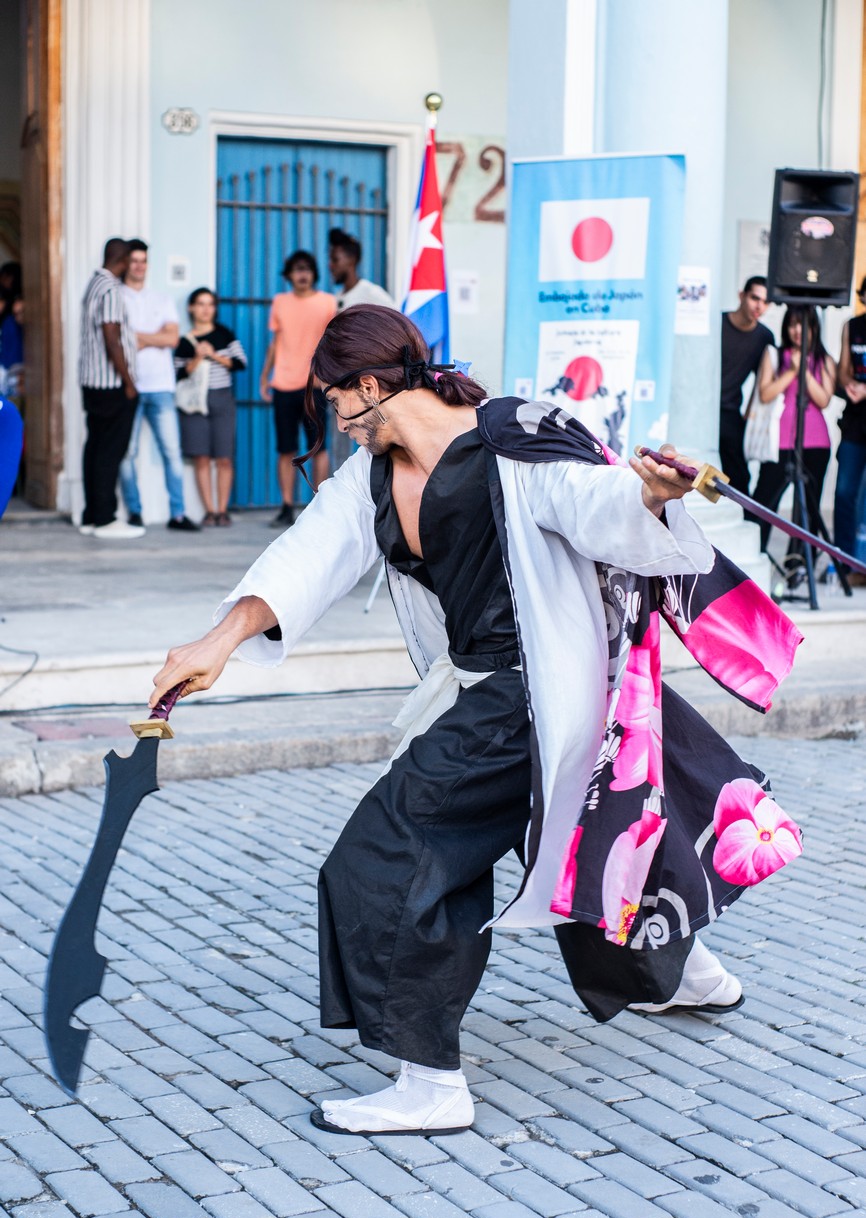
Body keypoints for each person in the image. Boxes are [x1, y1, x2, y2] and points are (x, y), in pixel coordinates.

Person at [152, 305, 802, 1137]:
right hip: (483, 695)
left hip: (538, 692)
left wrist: (648, 490)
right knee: (583, 851)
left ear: (371, 387)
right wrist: (218, 641)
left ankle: (430, 1083)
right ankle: (687, 976)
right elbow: (308, 553)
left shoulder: (512, 442)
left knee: (390, 853)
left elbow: (595, 496)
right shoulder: (373, 473)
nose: (335, 421)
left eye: (336, 402)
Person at [119, 240, 199, 532]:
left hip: (161, 386)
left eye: (143, 260)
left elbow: (172, 339)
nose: (139, 265)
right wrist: (154, 335)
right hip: (129, 386)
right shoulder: (117, 297)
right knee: (127, 453)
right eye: (134, 260)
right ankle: (135, 512)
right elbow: (119, 339)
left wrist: (139, 337)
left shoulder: (161, 299)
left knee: (172, 452)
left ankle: (178, 514)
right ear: (126, 264)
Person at [752, 306, 835, 561]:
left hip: (816, 443)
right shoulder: (775, 355)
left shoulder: (824, 360)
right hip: (780, 442)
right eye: (792, 325)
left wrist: (805, 371)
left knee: (808, 508)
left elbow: (823, 400)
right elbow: (765, 393)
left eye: (803, 325)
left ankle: (798, 564)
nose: (797, 331)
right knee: (764, 501)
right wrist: (791, 370)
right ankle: (756, 556)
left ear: (814, 328)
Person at [260, 251, 336, 527]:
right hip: (283, 384)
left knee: (319, 446)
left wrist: (328, 378)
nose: (302, 274)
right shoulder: (280, 302)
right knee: (286, 448)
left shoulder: (328, 303)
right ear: (289, 274)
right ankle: (286, 505)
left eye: (307, 268)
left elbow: (333, 344)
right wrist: (264, 376)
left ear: (314, 273)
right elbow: (276, 342)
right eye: (296, 269)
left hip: (314, 385)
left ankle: (320, 503)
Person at [78, 238, 142, 539]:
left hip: (92, 383)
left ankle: (91, 516)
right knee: (110, 451)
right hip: (112, 385)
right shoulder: (111, 289)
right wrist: (129, 382)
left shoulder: (93, 284)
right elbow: (112, 337)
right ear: (124, 259)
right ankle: (105, 519)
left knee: (95, 447)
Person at [174, 288, 247, 527]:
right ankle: (209, 511)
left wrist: (213, 355)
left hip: (222, 399)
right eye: (201, 304)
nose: (206, 309)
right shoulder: (185, 341)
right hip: (195, 403)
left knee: (224, 457)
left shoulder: (224, 334)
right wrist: (197, 357)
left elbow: (240, 362)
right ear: (191, 308)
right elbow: (178, 373)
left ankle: (222, 510)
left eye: (210, 304)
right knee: (202, 458)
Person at [719, 275, 774, 497]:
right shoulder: (717, 322)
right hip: (699, 408)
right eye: (754, 298)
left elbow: (763, 381)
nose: (759, 306)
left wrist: (749, 414)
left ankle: (741, 521)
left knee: (739, 476)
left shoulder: (764, 337)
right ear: (741, 295)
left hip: (731, 411)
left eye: (765, 301)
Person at [833, 279, 866, 585]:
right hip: (855, 421)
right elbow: (844, 369)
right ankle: (843, 561)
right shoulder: (851, 326)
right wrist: (852, 385)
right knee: (845, 492)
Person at [328, 228, 396, 312]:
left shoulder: (372, 293)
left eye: (335, 260)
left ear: (351, 259)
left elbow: (398, 321)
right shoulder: (337, 297)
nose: (330, 265)